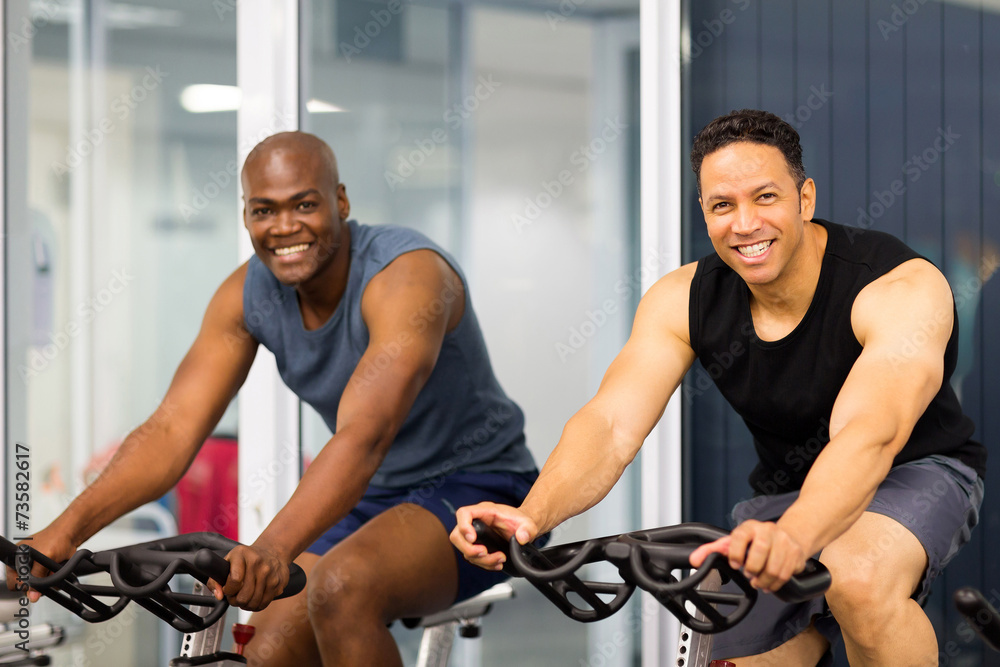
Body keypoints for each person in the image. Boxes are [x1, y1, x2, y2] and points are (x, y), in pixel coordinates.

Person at [452, 109, 986, 666]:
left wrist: (797, 535)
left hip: (916, 469)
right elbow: (611, 425)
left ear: (805, 199)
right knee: (726, 652)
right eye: (722, 206)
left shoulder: (897, 286)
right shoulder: (682, 298)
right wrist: (532, 517)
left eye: (765, 198)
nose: (745, 224)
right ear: (705, 214)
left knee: (855, 577)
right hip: (793, 491)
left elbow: (868, 433)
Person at [10, 131, 540, 666]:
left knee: (341, 588)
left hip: (482, 489)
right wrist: (62, 533)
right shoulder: (246, 294)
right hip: (372, 497)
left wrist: (270, 548)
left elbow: (365, 433)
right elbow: (171, 430)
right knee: (265, 647)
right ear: (246, 216)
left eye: (304, 205)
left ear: (341, 201)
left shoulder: (406, 275)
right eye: (264, 210)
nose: (285, 227)